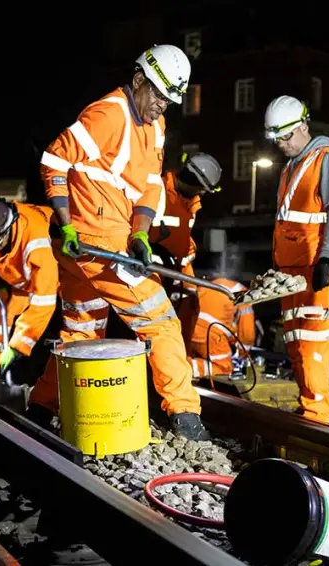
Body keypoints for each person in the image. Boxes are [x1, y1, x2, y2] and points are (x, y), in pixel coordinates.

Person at [27, 44, 210, 441]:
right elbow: (55, 161)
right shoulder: (108, 114)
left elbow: (146, 187)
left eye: (169, 99)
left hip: (104, 245)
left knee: (81, 330)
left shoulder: (156, 127)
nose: (162, 105)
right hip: (94, 242)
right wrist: (66, 224)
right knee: (160, 321)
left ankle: (41, 407)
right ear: (139, 80)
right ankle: (185, 415)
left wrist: (141, 234)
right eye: (158, 95)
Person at [264, 95, 329, 424]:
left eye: (286, 137)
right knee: (297, 345)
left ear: (302, 126)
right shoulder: (291, 167)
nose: (282, 145)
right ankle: (309, 415)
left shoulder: (328, 161)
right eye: (277, 139)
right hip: (291, 274)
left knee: (313, 346)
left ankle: (316, 420)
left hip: (317, 271)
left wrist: (327, 258)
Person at [0, 198, 59, 397]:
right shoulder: (2, 235)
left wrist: (18, 346)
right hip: (20, 275)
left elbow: (44, 302)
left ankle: (47, 399)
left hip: (63, 281)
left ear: (7, 231)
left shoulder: (38, 245)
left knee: (56, 340)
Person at [149, 152, 222, 345]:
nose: (204, 193)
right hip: (153, 268)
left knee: (189, 307)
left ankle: (180, 360)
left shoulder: (191, 203)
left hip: (178, 269)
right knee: (153, 318)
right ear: (195, 182)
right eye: (203, 188)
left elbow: (181, 233)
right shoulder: (158, 190)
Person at [188, 278, 255, 377]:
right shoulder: (243, 294)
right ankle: (183, 368)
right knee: (225, 368)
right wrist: (243, 354)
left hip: (189, 332)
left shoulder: (211, 284)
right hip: (211, 337)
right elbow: (246, 334)